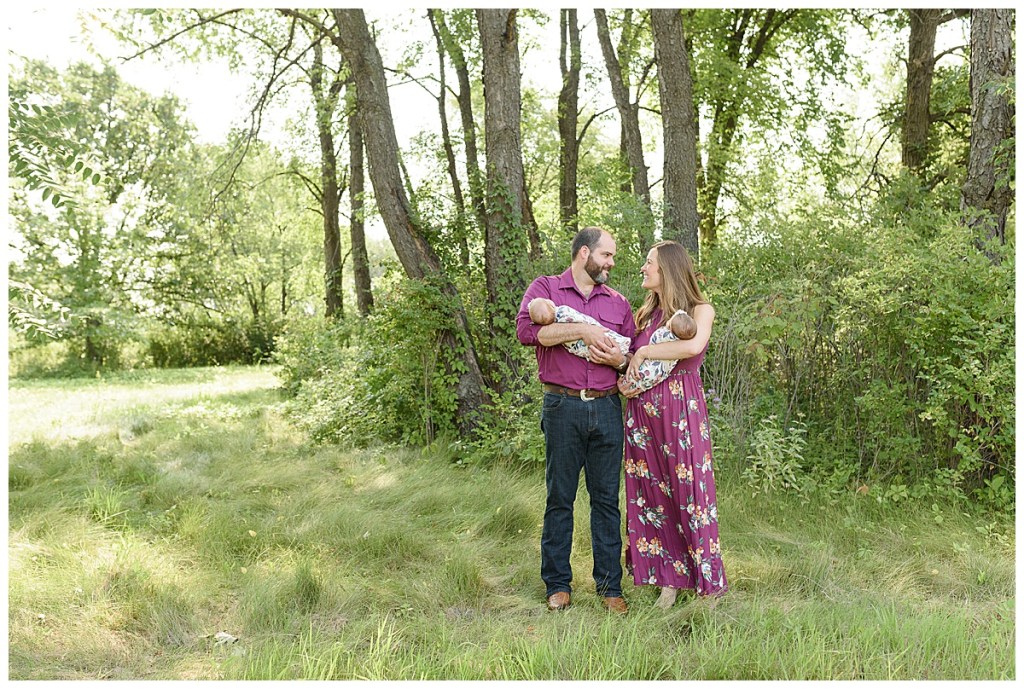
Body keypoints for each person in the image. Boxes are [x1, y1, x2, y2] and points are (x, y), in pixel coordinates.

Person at [516, 226, 634, 614]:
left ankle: (609, 587)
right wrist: (583, 328)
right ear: (584, 253)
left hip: (606, 408)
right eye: (607, 255)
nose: (611, 263)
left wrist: (618, 361)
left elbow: (631, 359)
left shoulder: (618, 303)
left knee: (605, 501)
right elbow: (528, 332)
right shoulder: (546, 288)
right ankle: (557, 584)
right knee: (560, 498)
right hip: (562, 406)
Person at [618, 240, 727, 607]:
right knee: (652, 496)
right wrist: (624, 372)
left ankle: (706, 583)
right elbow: (632, 361)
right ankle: (669, 579)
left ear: (667, 268)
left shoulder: (701, 309)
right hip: (641, 416)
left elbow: (691, 347)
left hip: (680, 413)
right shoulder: (645, 315)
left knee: (692, 496)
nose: (643, 269)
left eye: (648, 263)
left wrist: (646, 351)